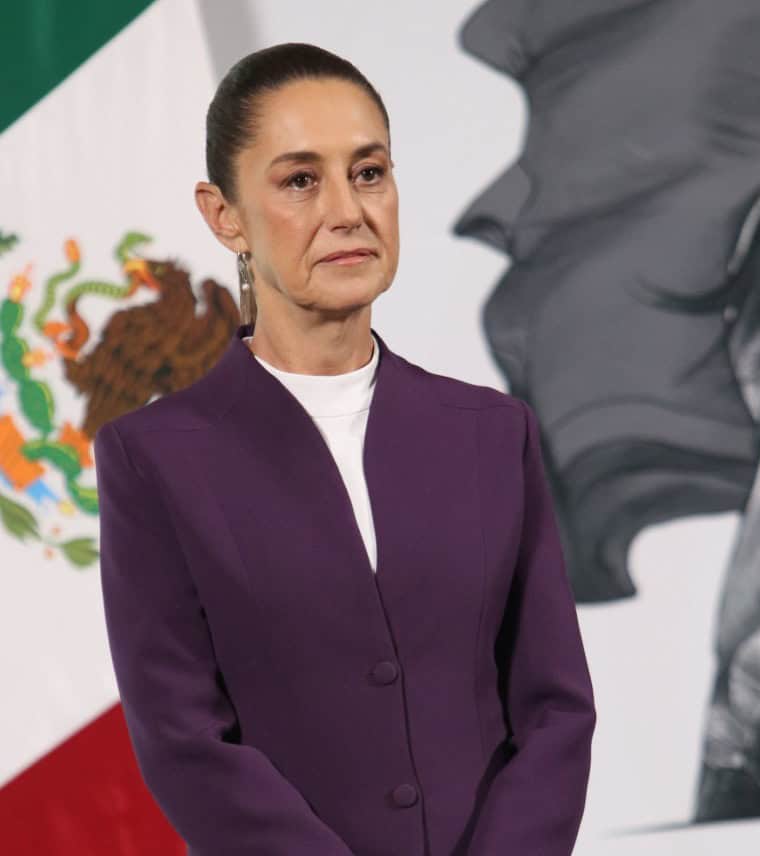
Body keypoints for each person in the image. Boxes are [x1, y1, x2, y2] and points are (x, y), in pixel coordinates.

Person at [93, 42, 596, 856]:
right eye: (299, 180)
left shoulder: (493, 434)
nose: (347, 211)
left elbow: (556, 709)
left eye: (369, 173)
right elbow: (184, 743)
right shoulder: (154, 460)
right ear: (224, 216)